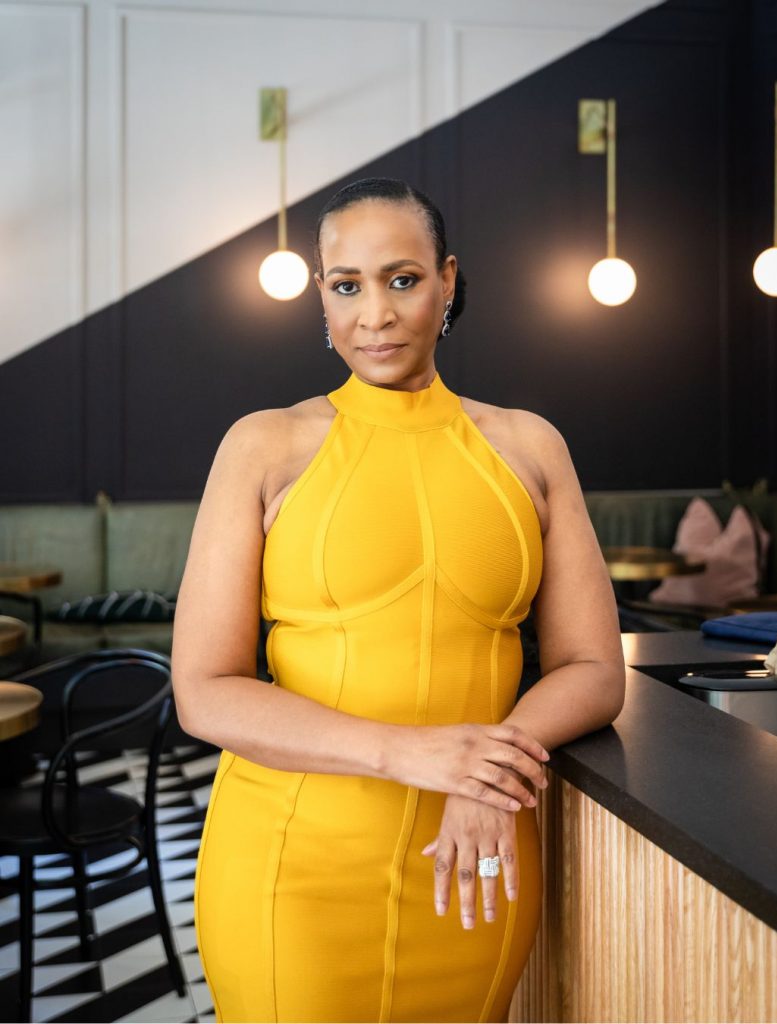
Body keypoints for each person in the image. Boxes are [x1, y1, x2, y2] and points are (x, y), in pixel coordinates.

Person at [171, 176, 625, 1023]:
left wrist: (484, 774)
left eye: (402, 279)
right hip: (292, 864)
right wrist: (413, 756)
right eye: (347, 286)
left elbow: (595, 669)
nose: (374, 314)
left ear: (446, 280)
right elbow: (204, 691)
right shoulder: (263, 446)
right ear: (321, 294)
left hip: (476, 861)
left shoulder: (529, 446)